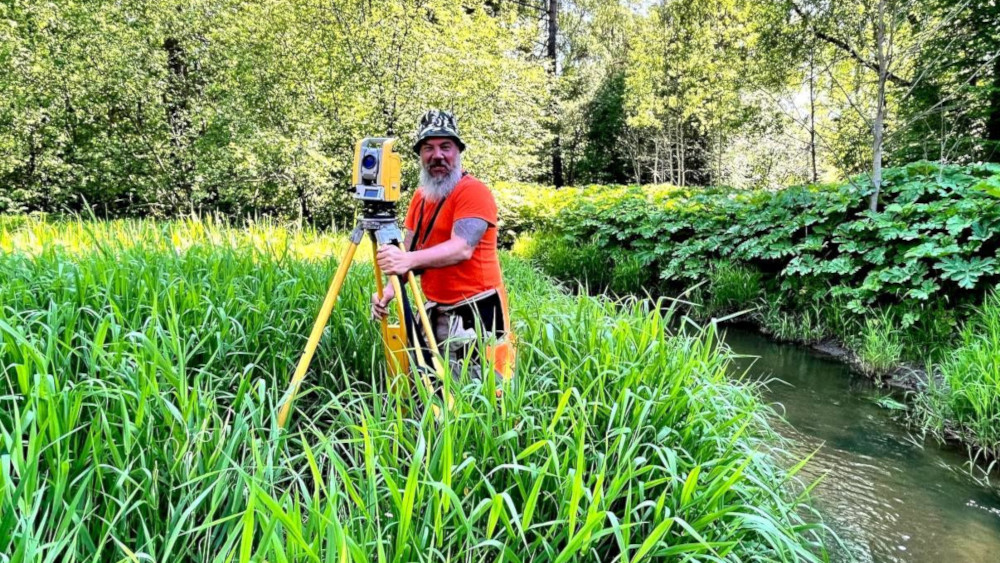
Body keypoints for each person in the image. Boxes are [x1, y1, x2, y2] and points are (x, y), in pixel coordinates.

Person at [370, 109, 514, 383]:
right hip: (436, 309)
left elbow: (461, 248)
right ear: (420, 155)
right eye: (428, 148)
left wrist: (407, 261)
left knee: (484, 397)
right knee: (434, 387)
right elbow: (407, 252)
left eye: (445, 147)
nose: (437, 155)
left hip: (476, 314)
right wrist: (389, 292)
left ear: (458, 151)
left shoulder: (473, 191)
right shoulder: (421, 197)